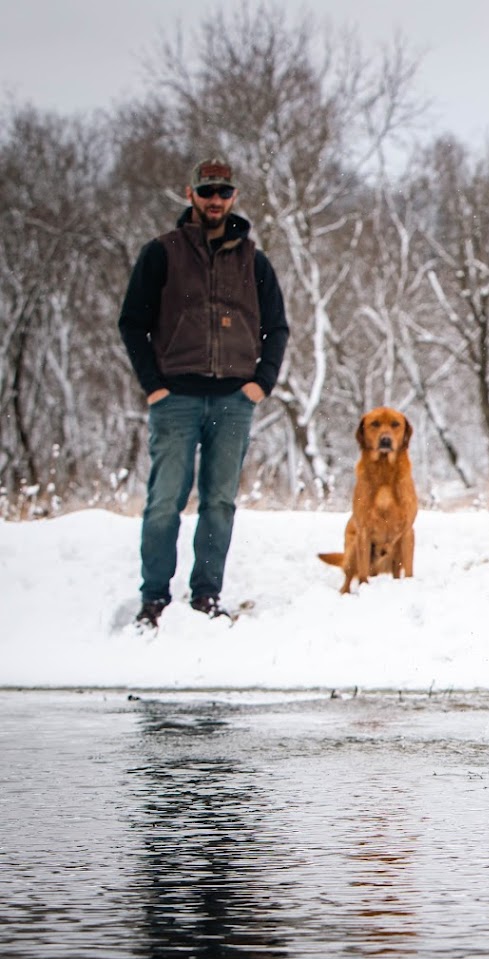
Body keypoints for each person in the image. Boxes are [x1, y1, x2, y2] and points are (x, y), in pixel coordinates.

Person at [119, 157, 289, 628]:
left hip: (235, 399)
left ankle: (205, 597)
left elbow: (276, 326)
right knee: (164, 502)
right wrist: (154, 386)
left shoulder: (253, 259)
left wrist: (261, 383)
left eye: (224, 192)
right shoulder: (163, 253)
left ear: (233, 196)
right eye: (207, 191)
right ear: (190, 193)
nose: (216, 200)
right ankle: (154, 598)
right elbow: (132, 322)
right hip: (176, 397)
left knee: (218, 503)